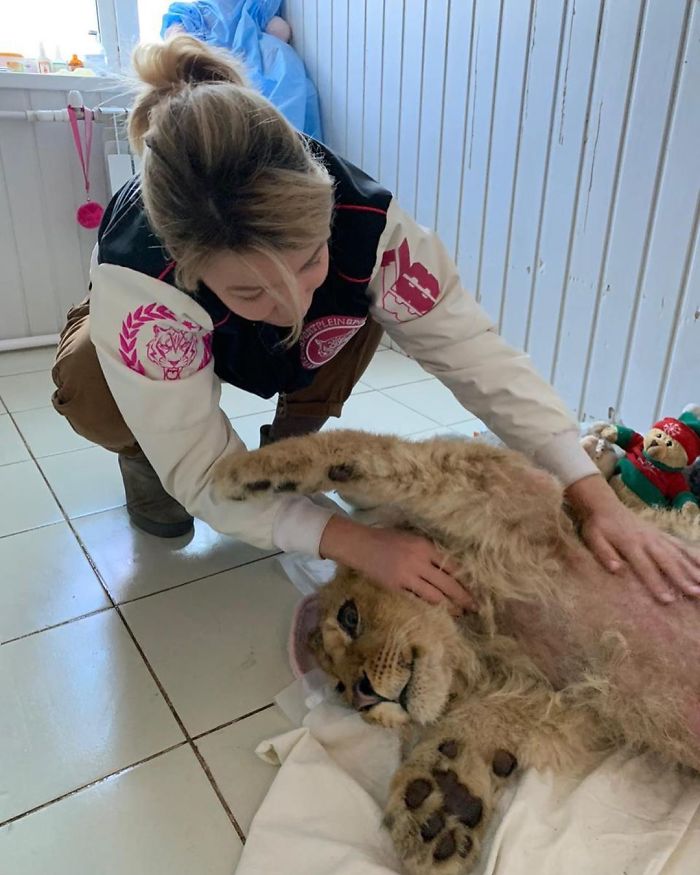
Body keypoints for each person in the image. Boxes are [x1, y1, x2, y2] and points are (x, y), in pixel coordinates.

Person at [52, 36, 700, 612]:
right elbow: (200, 468)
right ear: (190, 267)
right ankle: (139, 452)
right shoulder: (140, 283)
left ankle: (290, 447)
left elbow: (476, 355)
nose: (292, 309)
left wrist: (595, 496)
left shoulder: (369, 225)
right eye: (251, 289)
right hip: (155, 346)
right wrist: (359, 544)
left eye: (309, 262)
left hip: (303, 309)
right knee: (95, 384)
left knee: (346, 310)